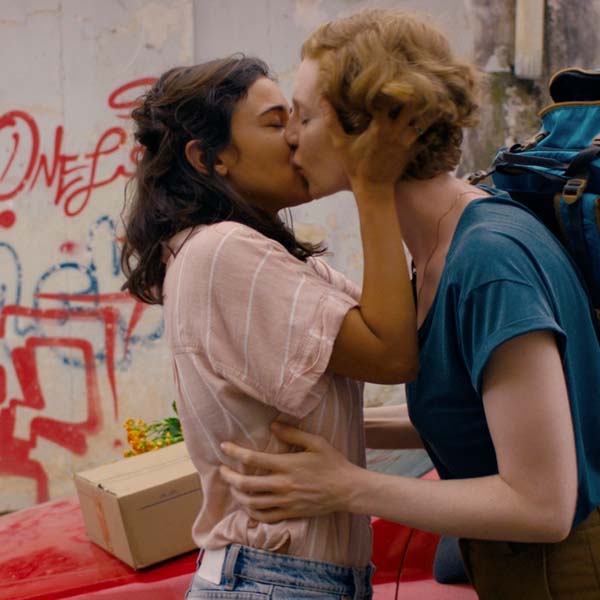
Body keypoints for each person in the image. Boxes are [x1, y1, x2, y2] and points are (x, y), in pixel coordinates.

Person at [218, 9, 600, 599]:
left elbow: (543, 503)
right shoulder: (439, 249)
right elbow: (474, 421)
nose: (291, 134)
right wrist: (334, 429)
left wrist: (347, 485)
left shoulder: (488, 263)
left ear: (373, 131)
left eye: (307, 114)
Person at [120, 56, 421, 599]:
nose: (295, 137)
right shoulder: (223, 252)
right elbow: (392, 356)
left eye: (297, 118)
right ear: (209, 157)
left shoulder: (269, 256)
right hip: (276, 581)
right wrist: (370, 185)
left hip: (288, 580)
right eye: (274, 121)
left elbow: (403, 329)